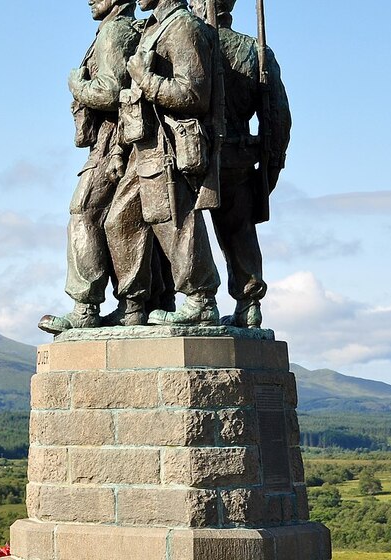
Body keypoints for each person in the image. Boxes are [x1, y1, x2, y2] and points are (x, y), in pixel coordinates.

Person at [104, 0, 222, 327]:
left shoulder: (182, 27)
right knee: (119, 221)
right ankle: (132, 305)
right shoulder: (154, 28)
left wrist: (147, 80)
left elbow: (195, 94)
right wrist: (118, 149)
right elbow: (129, 97)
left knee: (175, 220)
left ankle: (200, 300)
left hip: (168, 143)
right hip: (141, 145)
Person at [38, 0, 141, 334]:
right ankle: (136, 304)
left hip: (113, 140)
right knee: (125, 219)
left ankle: (86, 307)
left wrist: (77, 86)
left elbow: (111, 92)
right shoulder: (121, 29)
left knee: (84, 210)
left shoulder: (114, 31)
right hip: (121, 139)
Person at [190, 0, 291, 328]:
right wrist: (270, 168)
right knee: (239, 231)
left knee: (180, 227)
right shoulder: (255, 52)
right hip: (239, 156)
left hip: (190, 157)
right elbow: (277, 120)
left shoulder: (191, 41)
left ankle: (191, 300)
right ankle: (248, 303)